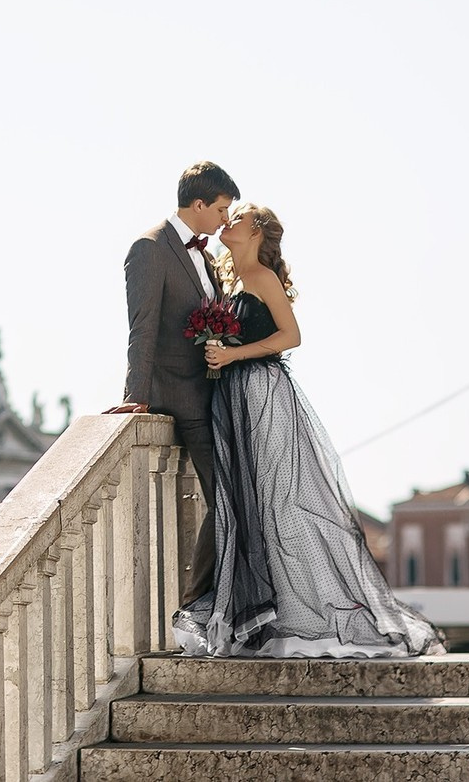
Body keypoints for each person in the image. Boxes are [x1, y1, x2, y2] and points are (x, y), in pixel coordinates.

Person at [175, 203, 445, 657]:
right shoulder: (231, 281)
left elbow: (291, 336)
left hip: (262, 395)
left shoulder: (261, 277)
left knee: (276, 502)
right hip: (232, 395)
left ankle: (311, 612)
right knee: (245, 501)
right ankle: (251, 614)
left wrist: (233, 354)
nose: (228, 221)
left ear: (256, 233)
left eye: (238, 218)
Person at [107, 160, 240, 603]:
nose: (225, 220)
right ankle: (193, 605)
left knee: (236, 499)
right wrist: (136, 395)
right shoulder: (149, 248)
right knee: (227, 501)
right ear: (198, 205)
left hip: (214, 395)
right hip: (181, 397)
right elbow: (142, 326)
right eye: (220, 209)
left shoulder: (207, 256)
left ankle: (214, 604)